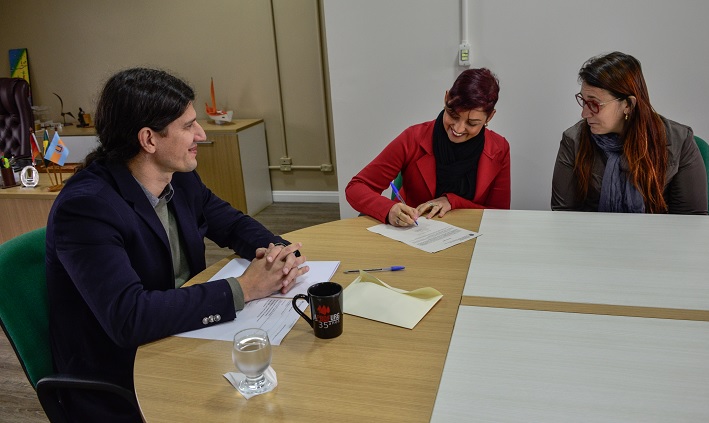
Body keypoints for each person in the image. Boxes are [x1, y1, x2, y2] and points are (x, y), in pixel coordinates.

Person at [45, 68, 309, 422]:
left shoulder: (180, 179)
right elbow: (129, 318)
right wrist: (245, 288)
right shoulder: (86, 207)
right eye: (188, 126)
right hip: (125, 371)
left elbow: (232, 224)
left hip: (184, 332)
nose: (200, 134)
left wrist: (278, 252)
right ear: (149, 140)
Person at [346, 68, 510, 226]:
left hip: (471, 239)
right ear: (446, 98)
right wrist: (388, 209)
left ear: (490, 116)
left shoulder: (499, 149)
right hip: (412, 237)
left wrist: (452, 201)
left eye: (472, 123)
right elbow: (356, 187)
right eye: (453, 115)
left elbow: (499, 215)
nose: (458, 129)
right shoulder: (413, 138)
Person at [551, 52, 707, 214]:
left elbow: (691, 220)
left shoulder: (679, 142)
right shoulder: (574, 140)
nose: (584, 114)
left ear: (628, 105)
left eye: (594, 104)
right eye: (583, 101)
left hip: (659, 237)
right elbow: (563, 217)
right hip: (592, 237)